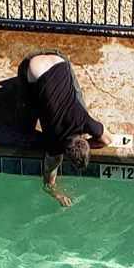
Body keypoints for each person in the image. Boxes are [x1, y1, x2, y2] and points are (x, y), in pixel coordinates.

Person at [19, 52, 111, 208]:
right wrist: (58, 195)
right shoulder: (54, 145)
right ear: (65, 156)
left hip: (59, 58)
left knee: (78, 102)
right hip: (28, 64)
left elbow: (107, 139)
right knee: (24, 128)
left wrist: (88, 144)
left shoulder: (82, 119)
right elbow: (48, 182)